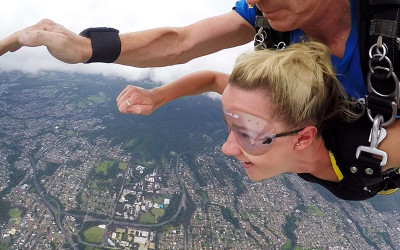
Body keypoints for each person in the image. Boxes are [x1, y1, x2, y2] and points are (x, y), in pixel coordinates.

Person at [118, 41, 400, 201]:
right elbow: (214, 80)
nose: (226, 148)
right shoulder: (277, 114)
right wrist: (157, 96)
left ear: (303, 137)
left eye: (249, 134)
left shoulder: (368, 150)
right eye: (230, 125)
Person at [0, 0, 366, 101]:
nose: (254, 0)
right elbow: (182, 42)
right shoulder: (267, 14)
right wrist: (84, 48)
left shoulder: (387, 33)